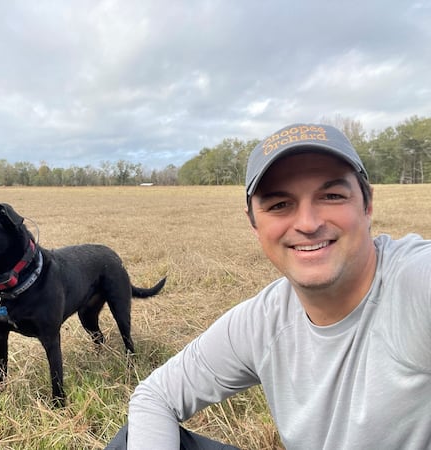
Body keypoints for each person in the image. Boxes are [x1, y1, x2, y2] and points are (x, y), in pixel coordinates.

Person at [106, 123, 431, 450]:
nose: (308, 223)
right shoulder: (265, 320)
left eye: (332, 196)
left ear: (367, 204)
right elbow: (156, 395)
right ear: (254, 224)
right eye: (279, 205)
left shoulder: (413, 283)